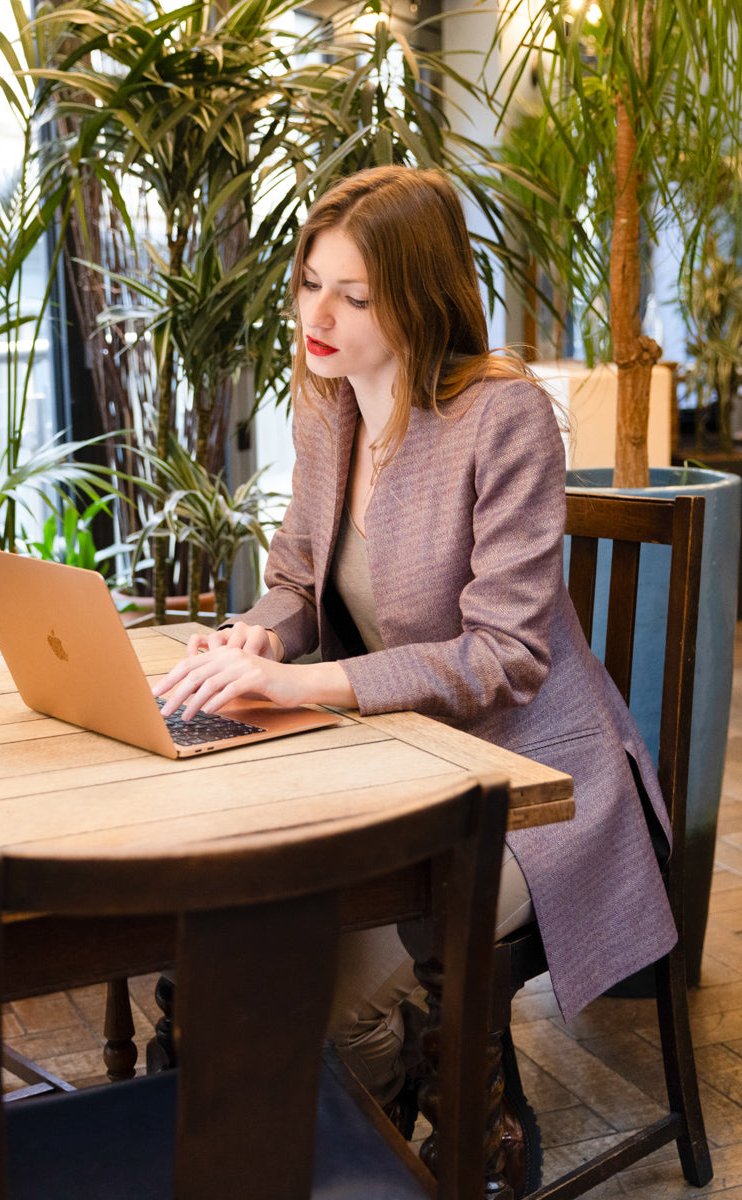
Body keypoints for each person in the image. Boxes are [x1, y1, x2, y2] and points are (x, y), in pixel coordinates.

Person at [154, 164, 677, 1111]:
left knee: (325, 1006)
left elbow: (506, 656)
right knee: (240, 950)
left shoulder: (500, 416)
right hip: (403, 764)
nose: (320, 314)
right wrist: (258, 643)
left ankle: (410, 1132)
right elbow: (292, 581)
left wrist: (307, 688)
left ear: (420, 297)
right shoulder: (330, 402)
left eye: (354, 296)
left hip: (535, 787)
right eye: (312, 282)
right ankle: (366, 1119)